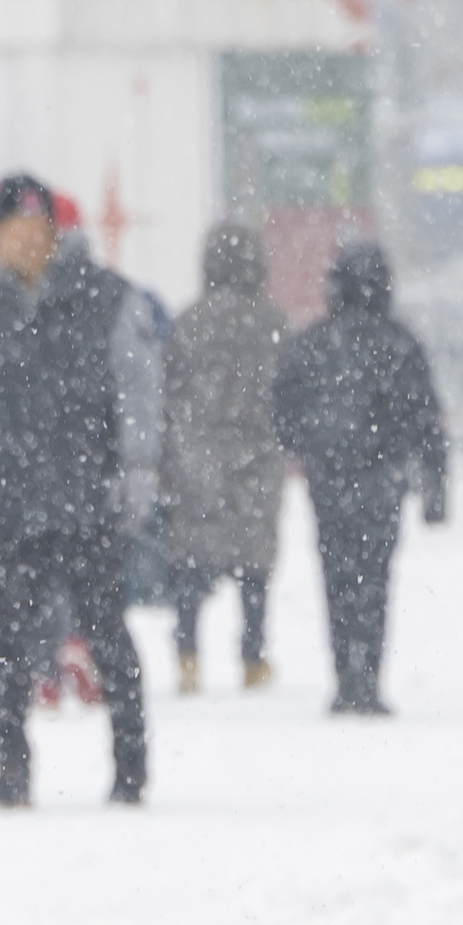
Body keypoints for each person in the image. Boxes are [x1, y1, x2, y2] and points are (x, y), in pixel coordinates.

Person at [0, 172, 159, 808]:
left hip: (87, 498)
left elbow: (137, 393)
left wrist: (136, 473)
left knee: (106, 633)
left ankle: (130, 768)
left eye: (6, 225)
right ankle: (11, 768)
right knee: (6, 641)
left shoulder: (107, 299)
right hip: (12, 504)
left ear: (42, 228)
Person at [271, 242, 450, 716]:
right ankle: (368, 675)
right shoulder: (400, 343)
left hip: (329, 480)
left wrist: (308, 447)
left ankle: (344, 676)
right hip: (381, 480)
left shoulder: (311, 344)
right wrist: (434, 486)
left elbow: (281, 410)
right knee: (374, 577)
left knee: (335, 575)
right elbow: (426, 420)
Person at [162, 220, 288, 693]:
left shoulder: (188, 322)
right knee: (254, 563)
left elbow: (168, 390)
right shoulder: (273, 324)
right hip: (256, 454)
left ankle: (187, 655)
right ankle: (252, 655)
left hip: (198, 456)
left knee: (190, 562)